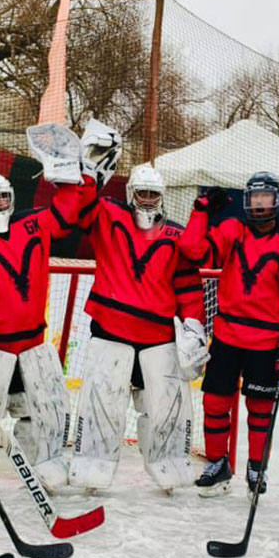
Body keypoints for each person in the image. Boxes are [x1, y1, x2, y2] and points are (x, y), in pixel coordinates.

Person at [0, 125, 110, 493]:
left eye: (2, 197)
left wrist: (71, 175)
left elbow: (67, 212)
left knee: (47, 407)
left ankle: (45, 461)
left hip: (33, 344)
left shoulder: (32, 224)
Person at [64, 162, 206, 492]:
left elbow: (187, 285)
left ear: (162, 197)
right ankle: (92, 464)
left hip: (157, 338)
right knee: (103, 402)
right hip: (110, 331)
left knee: (163, 406)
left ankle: (168, 464)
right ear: (130, 193)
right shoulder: (107, 216)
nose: (147, 200)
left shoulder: (176, 234)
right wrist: (89, 173)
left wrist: (193, 323)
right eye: (142, 193)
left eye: (153, 194)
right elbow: (79, 209)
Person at [177, 172, 279, 496]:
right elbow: (193, 251)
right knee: (215, 402)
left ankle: (255, 467)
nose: (259, 204)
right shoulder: (232, 230)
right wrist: (201, 210)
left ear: (277, 201)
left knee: (260, 408)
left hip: (266, 341)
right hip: (227, 335)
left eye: (266, 197)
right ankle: (218, 463)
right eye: (254, 197)